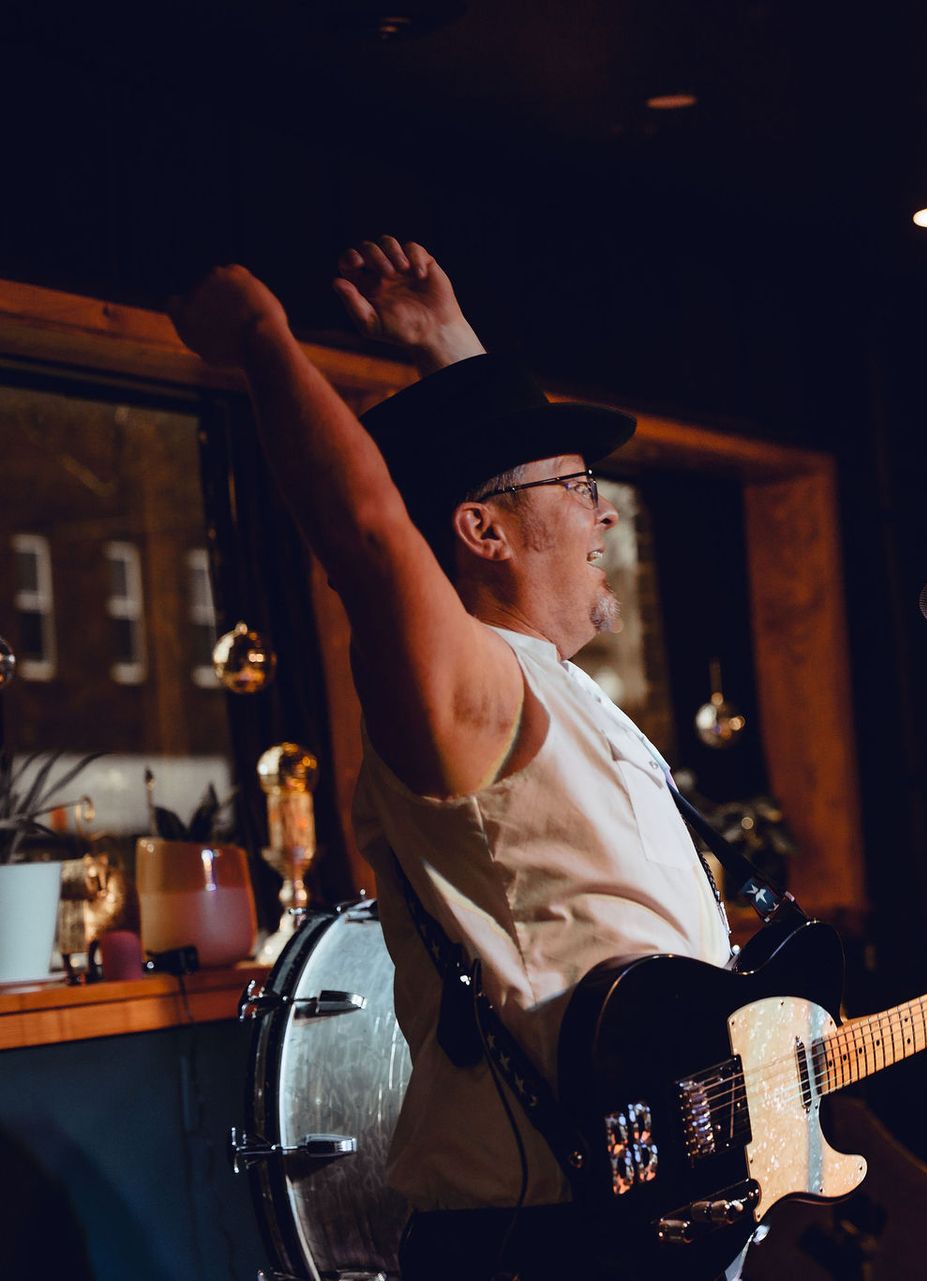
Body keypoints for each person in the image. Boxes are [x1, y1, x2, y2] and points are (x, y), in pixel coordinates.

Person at [169, 239, 734, 1281]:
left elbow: (464, 479)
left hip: (643, 1220)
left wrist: (448, 347)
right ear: (481, 531)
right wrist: (263, 343)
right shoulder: (475, 692)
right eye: (577, 486)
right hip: (543, 1243)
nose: (603, 512)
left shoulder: (557, 686)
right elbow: (375, 536)